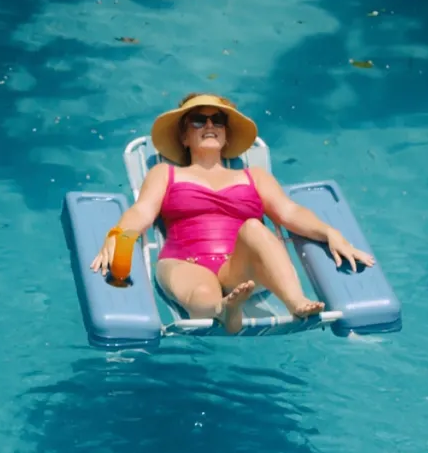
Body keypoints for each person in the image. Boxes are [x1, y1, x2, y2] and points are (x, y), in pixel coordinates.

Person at [90, 92, 375, 335]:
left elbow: (290, 212)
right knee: (203, 296)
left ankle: (296, 302)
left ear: (226, 136)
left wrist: (330, 233)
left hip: (238, 267)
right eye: (199, 120)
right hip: (183, 262)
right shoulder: (165, 173)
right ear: (185, 136)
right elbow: (142, 211)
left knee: (253, 227)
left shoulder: (255, 177)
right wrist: (117, 236)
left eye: (219, 120)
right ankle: (223, 311)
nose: (210, 125)